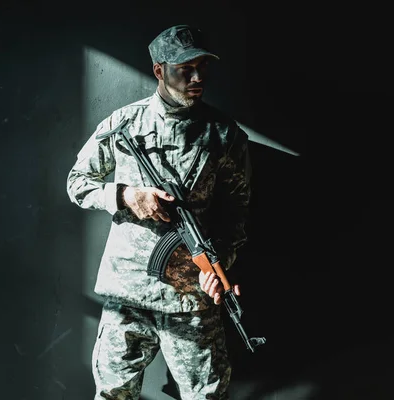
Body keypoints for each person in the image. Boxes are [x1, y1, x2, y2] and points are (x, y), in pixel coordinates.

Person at [66, 24, 251, 400]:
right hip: (128, 295)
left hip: (191, 299)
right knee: (114, 393)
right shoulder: (123, 125)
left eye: (201, 67)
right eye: (185, 68)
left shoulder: (224, 135)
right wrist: (126, 196)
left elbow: (237, 215)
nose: (197, 77)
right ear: (159, 71)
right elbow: (77, 183)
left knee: (207, 395)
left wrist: (220, 268)